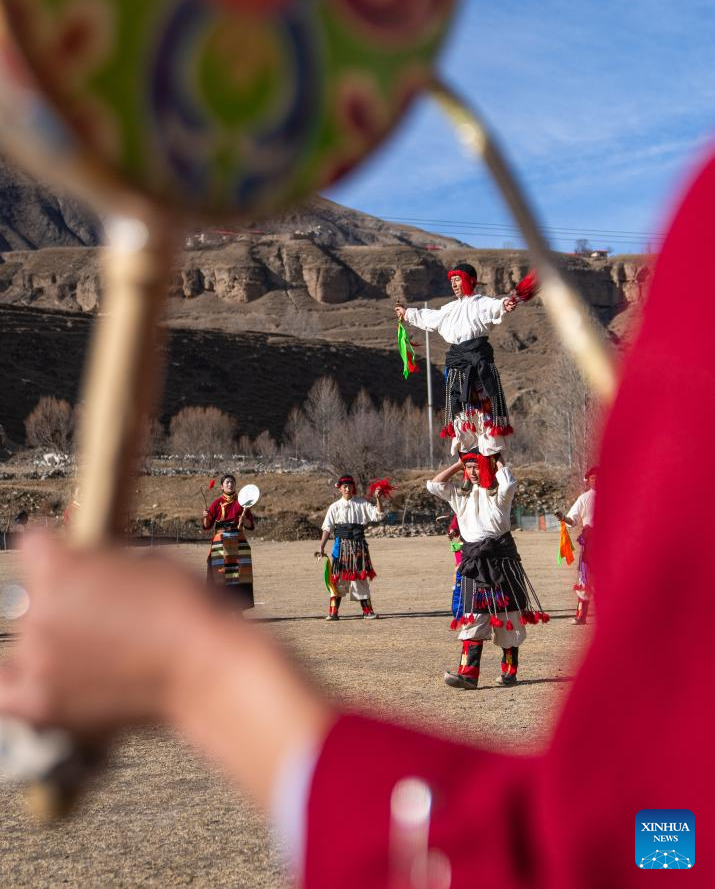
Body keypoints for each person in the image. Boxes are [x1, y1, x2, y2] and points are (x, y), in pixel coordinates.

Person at [1, 152, 713, 888]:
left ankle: (495, 661)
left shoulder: (491, 439)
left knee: (491, 609)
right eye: (463, 282)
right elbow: (648, 841)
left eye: (468, 283)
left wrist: (198, 670)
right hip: (410, 506)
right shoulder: (451, 326)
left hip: (485, 522)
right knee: (438, 592)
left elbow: (614, 844)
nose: (463, 286)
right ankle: (461, 657)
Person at [427, 451, 545, 688]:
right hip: (474, 565)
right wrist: (458, 464)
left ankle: (509, 672)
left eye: (476, 466)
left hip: (502, 564)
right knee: (473, 618)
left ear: (487, 468)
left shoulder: (500, 496)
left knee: (508, 619)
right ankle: (468, 675)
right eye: (468, 467)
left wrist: (496, 458)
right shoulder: (460, 497)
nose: (472, 472)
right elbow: (434, 485)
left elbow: (509, 482)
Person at [394, 263, 534, 453]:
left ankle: (491, 447)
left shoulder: (481, 302)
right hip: (457, 362)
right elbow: (429, 316)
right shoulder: (449, 309)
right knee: (459, 407)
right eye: (451, 281)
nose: (453, 284)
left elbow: (496, 305)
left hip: (478, 362)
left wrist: (504, 304)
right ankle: (466, 443)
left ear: (470, 280)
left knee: (485, 407)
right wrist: (407, 313)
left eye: (457, 279)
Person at [316, 475, 384, 619]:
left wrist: (378, 498)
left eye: (350, 486)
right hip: (341, 547)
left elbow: (377, 515)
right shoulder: (334, 507)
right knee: (338, 578)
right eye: (344, 487)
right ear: (340, 489)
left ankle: (368, 611)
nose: (347, 489)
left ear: (353, 487)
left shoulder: (362, 503)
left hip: (359, 546)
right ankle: (333, 612)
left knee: (360, 578)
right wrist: (321, 547)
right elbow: (327, 528)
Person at [202, 474, 255, 609]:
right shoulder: (216, 503)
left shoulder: (242, 503)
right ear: (221, 486)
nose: (229, 485)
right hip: (221, 545)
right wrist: (205, 517)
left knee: (240, 576)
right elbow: (207, 526)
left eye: (232, 482)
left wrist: (244, 520)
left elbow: (250, 526)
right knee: (219, 575)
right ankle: (220, 609)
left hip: (238, 542)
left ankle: (238, 609)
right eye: (227, 483)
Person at [556, 467, 597, 624]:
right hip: (590, 540)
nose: (597, 480)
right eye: (593, 478)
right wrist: (564, 518)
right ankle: (581, 615)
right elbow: (573, 520)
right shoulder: (584, 498)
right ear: (588, 481)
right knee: (585, 577)